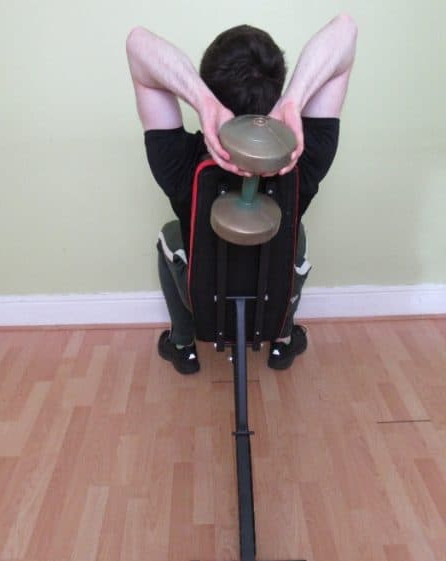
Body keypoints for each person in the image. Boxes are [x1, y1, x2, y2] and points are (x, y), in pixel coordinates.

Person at [126, 14, 357, 374]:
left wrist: (202, 101)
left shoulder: (179, 164)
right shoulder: (306, 157)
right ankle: (281, 339)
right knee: (297, 231)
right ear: (277, 88)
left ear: (208, 84)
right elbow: (346, 29)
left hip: (203, 303)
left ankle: (183, 344)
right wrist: (294, 101)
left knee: (171, 233)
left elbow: (137, 44)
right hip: (272, 301)